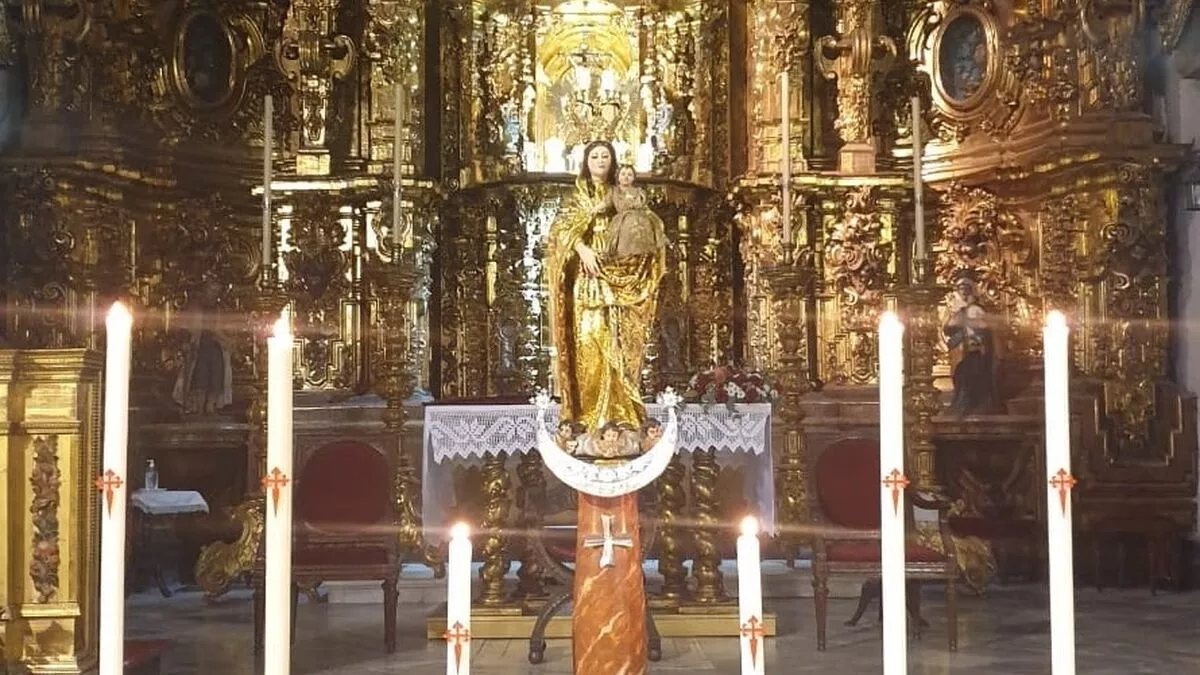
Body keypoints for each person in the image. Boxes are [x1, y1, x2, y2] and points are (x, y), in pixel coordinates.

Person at [546, 140, 667, 431]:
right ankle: (588, 417)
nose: (600, 160)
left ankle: (620, 415)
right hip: (588, 279)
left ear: (613, 162)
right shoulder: (577, 197)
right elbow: (560, 231)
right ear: (586, 162)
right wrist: (582, 249)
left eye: (606, 156)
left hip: (619, 275)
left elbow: (643, 223)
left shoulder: (623, 195)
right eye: (595, 156)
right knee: (589, 342)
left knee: (618, 342)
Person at [943, 273, 996, 415]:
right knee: (960, 377)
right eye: (960, 289)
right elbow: (948, 327)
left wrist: (968, 322)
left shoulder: (977, 309)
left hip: (974, 351)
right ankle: (960, 402)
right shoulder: (955, 310)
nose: (963, 292)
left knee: (973, 378)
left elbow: (985, 327)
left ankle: (973, 404)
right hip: (960, 350)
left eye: (966, 288)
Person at [601, 165, 666, 260]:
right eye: (623, 174)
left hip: (640, 218)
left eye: (629, 175)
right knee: (625, 233)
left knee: (645, 227)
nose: (626, 177)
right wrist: (594, 209)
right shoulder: (614, 191)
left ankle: (641, 257)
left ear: (633, 178)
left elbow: (642, 204)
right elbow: (605, 203)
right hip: (622, 220)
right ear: (618, 176)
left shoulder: (638, 191)